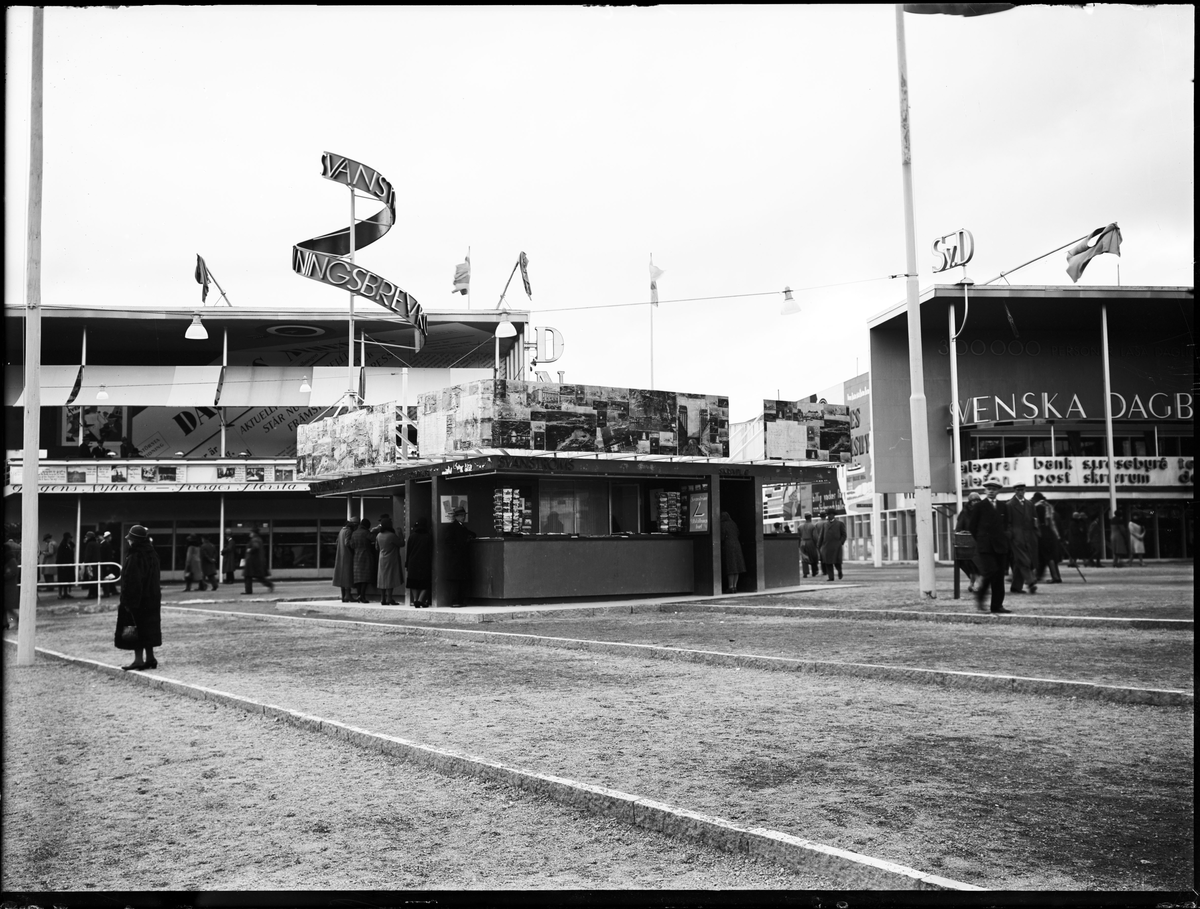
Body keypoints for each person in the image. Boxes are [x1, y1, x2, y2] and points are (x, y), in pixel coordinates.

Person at [114, 524, 161, 671]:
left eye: (130, 539)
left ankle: (138, 660)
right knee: (149, 628)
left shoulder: (135, 555)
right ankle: (151, 658)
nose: (128, 541)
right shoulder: (152, 553)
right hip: (152, 597)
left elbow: (133, 580)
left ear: (134, 540)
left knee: (136, 629)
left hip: (138, 599)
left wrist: (128, 601)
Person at [968, 480, 1012, 614]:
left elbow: (1006, 524)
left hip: (1000, 546)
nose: (991, 491)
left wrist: (1005, 538)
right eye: (989, 489)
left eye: (994, 489)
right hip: (986, 546)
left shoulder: (1003, 506)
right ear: (985, 491)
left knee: (999, 576)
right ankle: (980, 597)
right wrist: (982, 539)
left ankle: (997, 605)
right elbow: (972, 527)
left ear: (998, 491)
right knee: (990, 571)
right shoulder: (979, 506)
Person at [1005, 483, 1038, 594]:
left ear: (1025, 491)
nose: (1020, 492)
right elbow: (1008, 523)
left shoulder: (1030, 504)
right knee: (1024, 560)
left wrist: (1036, 534)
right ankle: (1031, 582)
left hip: (1028, 537)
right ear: (1015, 491)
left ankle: (1016, 587)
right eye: (1018, 490)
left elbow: (1034, 520)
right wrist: (1011, 535)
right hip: (1016, 538)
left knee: (1020, 561)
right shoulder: (1009, 505)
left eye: (1022, 490)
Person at [444, 507, 476, 607]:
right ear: (456, 516)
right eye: (461, 515)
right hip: (456, 558)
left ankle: (459, 600)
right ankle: (455, 600)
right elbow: (449, 542)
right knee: (456, 581)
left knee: (460, 580)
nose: (463, 517)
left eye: (464, 515)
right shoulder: (453, 528)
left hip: (459, 558)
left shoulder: (460, 527)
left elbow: (471, 534)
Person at [1031, 492, 1063, 584]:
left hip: (1041, 532)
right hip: (1050, 533)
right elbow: (1052, 523)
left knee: (1047, 556)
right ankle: (1049, 576)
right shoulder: (1049, 507)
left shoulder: (1037, 507)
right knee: (1047, 555)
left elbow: (1035, 521)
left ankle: (1055, 577)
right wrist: (1057, 535)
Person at [954, 492, 982, 593]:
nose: (976, 503)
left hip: (980, 543)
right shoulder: (964, 513)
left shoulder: (983, 512)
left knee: (978, 566)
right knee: (972, 566)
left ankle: (973, 584)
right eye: (974, 501)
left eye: (977, 500)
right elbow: (959, 528)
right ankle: (976, 584)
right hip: (968, 544)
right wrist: (964, 533)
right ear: (970, 502)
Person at [375, 518, 404, 606]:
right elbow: (401, 543)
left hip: (381, 558)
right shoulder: (391, 535)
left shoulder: (379, 535)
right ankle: (389, 598)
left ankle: (382, 598)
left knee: (382, 578)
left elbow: (376, 547)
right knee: (390, 578)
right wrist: (400, 534)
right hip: (391, 558)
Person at [406, 519, 433, 608]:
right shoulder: (428, 536)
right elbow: (430, 551)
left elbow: (408, 551)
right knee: (425, 582)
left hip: (412, 562)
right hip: (424, 562)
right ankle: (420, 600)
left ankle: (415, 599)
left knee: (413, 582)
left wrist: (407, 563)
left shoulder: (412, 536)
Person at [719, 511, 746, 594]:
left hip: (728, 546)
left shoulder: (722, 524)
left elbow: (722, 537)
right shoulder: (733, 523)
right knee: (736, 567)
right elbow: (738, 533)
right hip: (737, 545)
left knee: (730, 567)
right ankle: (735, 586)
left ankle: (730, 587)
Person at [242, 524, 274, 594]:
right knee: (258, 576)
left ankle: (249, 591)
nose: (250, 534)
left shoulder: (255, 539)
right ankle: (269, 584)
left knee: (248, 576)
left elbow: (255, 547)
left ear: (254, 533)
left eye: (251, 532)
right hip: (255, 561)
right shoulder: (258, 539)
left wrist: (250, 550)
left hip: (252, 561)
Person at [817, 509, 847, 581]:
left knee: (837, 561)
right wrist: (819, 545)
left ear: (833, 515)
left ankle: (839, 571)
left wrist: (840, 542)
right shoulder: (825, 524)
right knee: (828, 562)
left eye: (830, 514)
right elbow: (821, 535)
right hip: (826, 546)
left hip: (836, 546)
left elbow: (844, 534)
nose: (829, 516)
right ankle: (831, 577)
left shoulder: (839, 523)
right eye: (828, 515)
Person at [350, 518, 373, 603]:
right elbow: (374, 539)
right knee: (365, 578)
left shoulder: (354, 533)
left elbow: (351, 545)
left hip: (356, 556)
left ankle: (358, 595)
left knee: (358, 578)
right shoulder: (366, 532)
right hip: (365, 556)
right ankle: (362, 596)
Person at [332, 519, 355, 603]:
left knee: (342, 576)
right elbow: (347, 542)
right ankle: (348, 595)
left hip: (340, 554)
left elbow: (337, 541)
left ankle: (343, 596)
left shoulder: (341, 531)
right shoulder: (349, 531)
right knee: (348, 575)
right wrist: (354, 546)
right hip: (347, 555)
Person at [797, 513, 819, 579]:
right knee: (813, 556)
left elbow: (798, 536)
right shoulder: (813, 526)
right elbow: (815, 536)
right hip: (810, 542)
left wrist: (799, 544)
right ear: (810, 518)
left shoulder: (800, 526)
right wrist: (816, 544)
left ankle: (805, 573)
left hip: (803, 542)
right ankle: (814, 571)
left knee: (804, 557)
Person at [4, 539, 19, 630]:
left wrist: (5, 575)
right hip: (7, 586)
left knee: (9, 608)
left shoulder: (10, 560)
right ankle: (6, 622)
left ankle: (14, 620)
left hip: (9, 587)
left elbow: (13, 572)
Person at [81, 531, 102, 599]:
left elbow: (88, 555)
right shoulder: (97, 544)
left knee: (91, 579)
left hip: (91, 564)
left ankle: (91, 594)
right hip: (97, 564)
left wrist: (85, 562)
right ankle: (95, 594)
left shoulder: (89, 544)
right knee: (95, 579)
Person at [98, 531, 119, 596]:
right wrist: (109, 565)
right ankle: (109, 591)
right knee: (108, 577)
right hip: (107, 564)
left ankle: (111, 590)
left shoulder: (102, 544)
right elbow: (108, 555)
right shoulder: (107, 545)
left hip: (105, 564)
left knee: (108, 577)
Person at [56, 531, 76, 598]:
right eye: (69, 538)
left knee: (67, 579)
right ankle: (60, 594)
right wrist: (60, 565)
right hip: (63, 565)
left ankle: (65, 593)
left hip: (69, 565)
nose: (70, 539)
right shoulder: (62, 546)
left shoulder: (70, 546)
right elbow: (59, 556)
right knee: (62, 580)